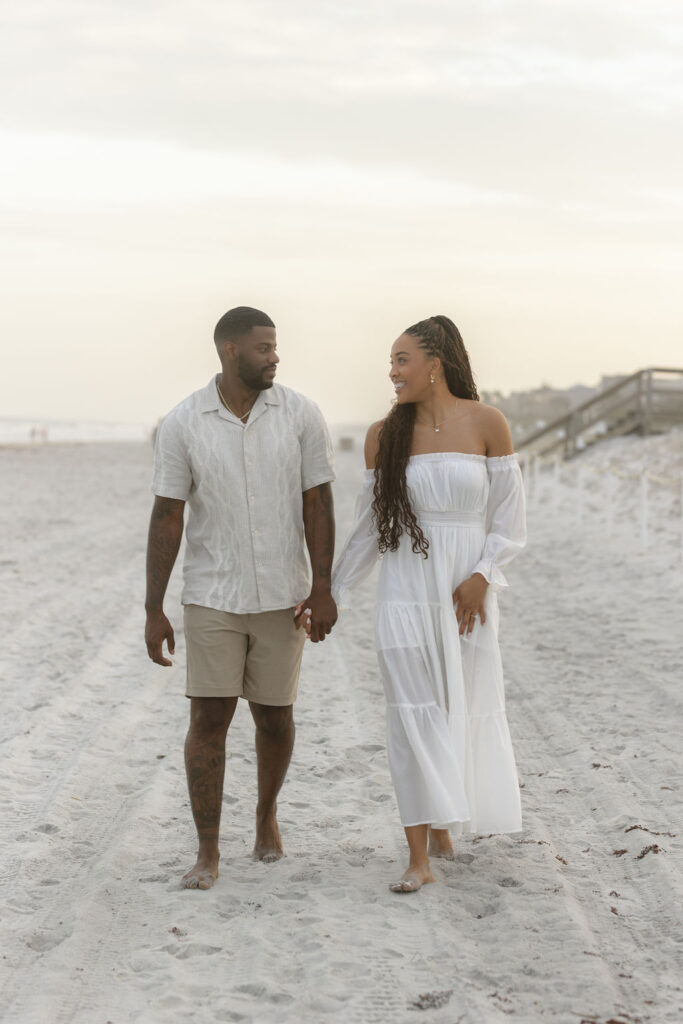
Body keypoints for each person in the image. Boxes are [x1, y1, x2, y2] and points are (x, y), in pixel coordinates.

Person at [325, 315, 526, 893]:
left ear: (435, 363)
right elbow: (369, 531)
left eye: (401, 360)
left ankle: (444, 822)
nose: (391, 372)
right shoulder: (383, 436)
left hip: (466, 595)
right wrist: (332, 591)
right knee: (412, 716)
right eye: (391, 362)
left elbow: (510, 521)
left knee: (457, 708)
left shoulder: (488, 423)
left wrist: (484, 575)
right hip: (405, 593)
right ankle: (419, 857)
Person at [145, 306, 337, 890]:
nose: (274, 356)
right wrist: (153, 608)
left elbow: (318, 502)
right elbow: (168, 515)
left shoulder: (302, 414)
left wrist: (322, 585)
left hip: (282, 594)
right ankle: (208, 852)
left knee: (276, 717)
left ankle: (265, 815)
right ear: (230, 351)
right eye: (263, 347)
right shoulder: (183, 423)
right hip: (212, 593)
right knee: (208, 718)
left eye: (275, 347)